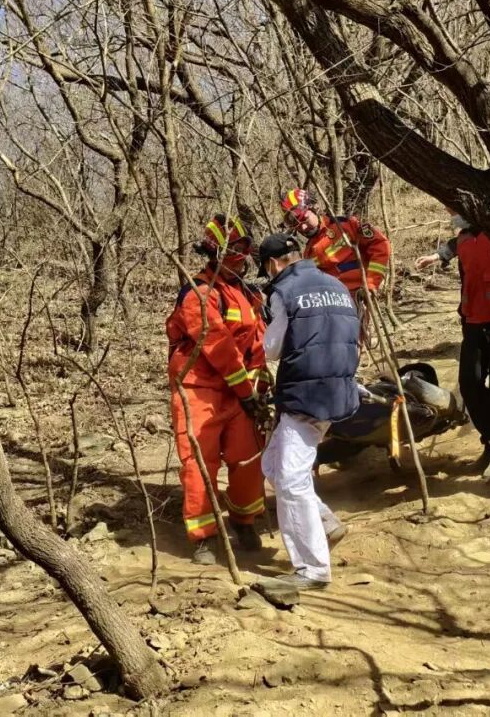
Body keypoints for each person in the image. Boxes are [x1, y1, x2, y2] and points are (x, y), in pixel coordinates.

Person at [257, 232, 360, 590]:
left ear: (272, 265)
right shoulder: (336, 284)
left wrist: (263, 326)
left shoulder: (283, 291)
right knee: (271, 464)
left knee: (289, 479)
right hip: (338, 390)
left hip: (305, 394)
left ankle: (312, 569)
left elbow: (272, 349)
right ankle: (326, 523)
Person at [165, 214, 267, 565]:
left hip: (240, 392)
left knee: (249, 457)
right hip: (199, 389)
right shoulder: (198, 294)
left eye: (245, 249)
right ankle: (203, 537)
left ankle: (244, 520)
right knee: (198, 464)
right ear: (218, 253)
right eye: (237, 250)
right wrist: (244, 389)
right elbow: (217, 345)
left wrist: (257, 382)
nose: (244, 256)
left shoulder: (245, 293)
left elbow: (258, 341)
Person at [415, 210, 490, 478]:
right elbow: (454, 245)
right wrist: (437, 256)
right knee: (469, 384)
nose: (452, 214)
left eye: (455, 210)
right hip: (474, 319)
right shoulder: (466, 237)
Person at [279, 188, 392, 298]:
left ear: (314, 208)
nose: (303, 227)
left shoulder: (346, 225)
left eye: (305, 219)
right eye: (297, 226)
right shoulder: (308, 253)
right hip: (335, 306)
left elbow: (380, 245)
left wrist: (371, 284)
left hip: (360, 297)